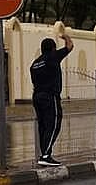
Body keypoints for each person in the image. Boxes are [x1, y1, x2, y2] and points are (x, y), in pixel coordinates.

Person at [30, 33, 73, 166]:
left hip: (37, 96)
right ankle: (46, 155)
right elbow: (70, 47)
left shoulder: (35, 63)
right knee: (54, 124)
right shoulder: (52, 57)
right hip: (50, 96)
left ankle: (44, 155)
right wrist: (65, 37)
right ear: (53, 49)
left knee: (43, 126)